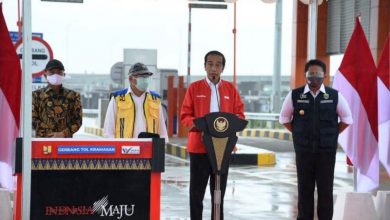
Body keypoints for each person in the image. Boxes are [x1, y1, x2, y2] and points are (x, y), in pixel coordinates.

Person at [279, 59, 353, 220]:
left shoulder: (334, 96)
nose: (314, 77)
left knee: (325, 190)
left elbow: (347, 119)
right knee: (304, 190)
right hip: (303, 152)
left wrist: (332, 134)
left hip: (326, 152)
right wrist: (298, 134)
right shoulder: (295, 95)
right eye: (310, 74)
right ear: (305, 75)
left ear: (324, 75)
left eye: (318, 74)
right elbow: (284, 118)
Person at [180, 50, 245, 220]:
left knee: (218, 195)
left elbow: (240, 115)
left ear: (222, 68)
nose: (213, 68)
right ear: (204, 66)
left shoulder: (230, 89)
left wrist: (233, 127)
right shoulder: (194, 88)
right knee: (196, 194)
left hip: (222, 149)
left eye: (217, 65)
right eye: (210, 64)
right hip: (199, 148)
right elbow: (185, 116)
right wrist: (198, 125)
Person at [103, 62, 168, 140]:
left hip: (149, 148)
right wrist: (114, 149)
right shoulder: (117, 99)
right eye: (142, 77)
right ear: (131, 79)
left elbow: (162, 131)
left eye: (147, 76)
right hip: (124, 149)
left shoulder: (155, 99)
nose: (145, 80)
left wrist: (162, 147)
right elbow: (109, 131)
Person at [32, 59, 82, 138]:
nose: (56, 75)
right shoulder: (36, 95)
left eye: (59, 72)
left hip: (65, 144)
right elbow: (32, 119)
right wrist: (50, 134)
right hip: (43, 142)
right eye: (52, 72)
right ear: (45, 75)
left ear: (63, 75)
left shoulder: (73, 96)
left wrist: (63, 134)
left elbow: (78, 121)